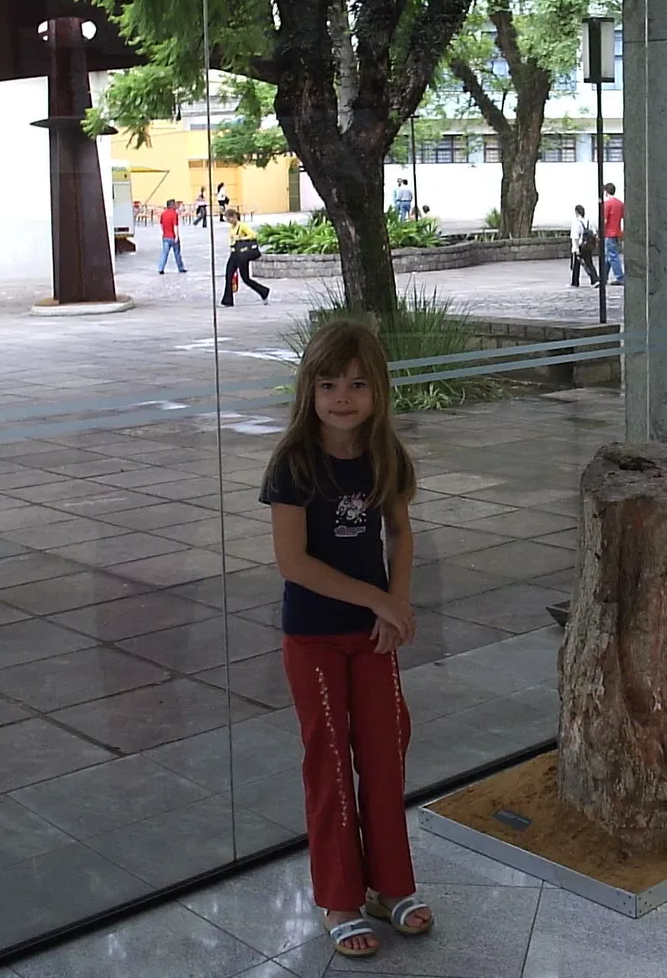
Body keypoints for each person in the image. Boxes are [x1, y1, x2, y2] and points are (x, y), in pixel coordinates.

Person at [262, 320, 434, 961]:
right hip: (313, 639)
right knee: (329, 764)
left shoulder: (388, 456)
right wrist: (379, 599)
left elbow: (401, 536)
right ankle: (340, 896)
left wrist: (397, 605)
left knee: (387, 756)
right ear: (308, 389)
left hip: (373, 637)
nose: (343, 396)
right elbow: (294, 563)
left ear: (379, 391)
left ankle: (393, 886)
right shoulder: (292, 465)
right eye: (329, 383)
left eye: (358, 384)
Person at [220, 209, 270, 306]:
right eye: (227, 218)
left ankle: (264, 291)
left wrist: (241, 238)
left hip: (242, 255)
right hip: (234, 254)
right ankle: (227, 300)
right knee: (228, 275)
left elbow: (253, 235)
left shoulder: (242, 225)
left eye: (230, 218)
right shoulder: (232, 228)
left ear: (234, 217)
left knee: (246, 278)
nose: (228, 220)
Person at [569, 203, 600, 287]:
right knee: (589, 263)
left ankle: (575, 282)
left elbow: (575, 236)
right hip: (588, 246)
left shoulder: (576, 222)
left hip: (579, 245)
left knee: (576, 265)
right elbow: (594, 233)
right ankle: (595, 279)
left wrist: (575, 248)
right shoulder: (588, 221)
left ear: (576, 212)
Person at [601, 182, 625, 285]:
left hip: (608, 233)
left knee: (612, 256)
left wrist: (599, 232)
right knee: (608, 256)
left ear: (606, 192)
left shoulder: (607, 204)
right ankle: (603, 277)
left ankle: (620, 277)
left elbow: (605, 220)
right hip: (617, 232)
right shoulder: (620, 203)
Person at [157, 199, 186, 273]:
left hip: (165, 236)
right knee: (177, 253)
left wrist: (164, 232)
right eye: (175, 204)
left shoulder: (163, 214)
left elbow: (161, 224)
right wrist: (176, 236)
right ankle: (181, 268)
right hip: (172, 237)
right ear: (172, 205)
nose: (176, 206)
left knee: (164, 253)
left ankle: (161, 268)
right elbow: (175, 226)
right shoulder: (174, 214)